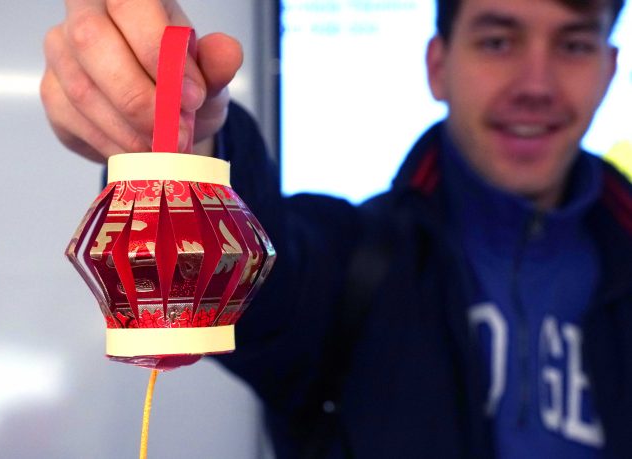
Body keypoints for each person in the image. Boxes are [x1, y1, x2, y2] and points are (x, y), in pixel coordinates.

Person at [41, 0, 632, 457]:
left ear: (608, 70)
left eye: (574, 44)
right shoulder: (356, 264)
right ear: (438, 66)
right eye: (498, 41)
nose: (536, 85)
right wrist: (186, 142)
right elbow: (269, 276)